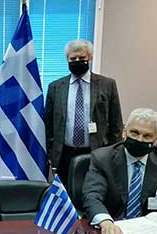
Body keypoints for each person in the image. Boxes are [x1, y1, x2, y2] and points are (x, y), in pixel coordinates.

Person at [44, 39, 123, 183]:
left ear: (90, 58)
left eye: (81, 58)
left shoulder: (107, 84)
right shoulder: (55, 87)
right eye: (73, 58)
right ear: (67, 60)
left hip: (96, 153)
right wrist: (50, 153)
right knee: (65, 193)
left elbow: (116, 123)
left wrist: (113, 153)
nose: (77, 61)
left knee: (93, 190)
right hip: (64, 154)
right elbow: (48, 125)